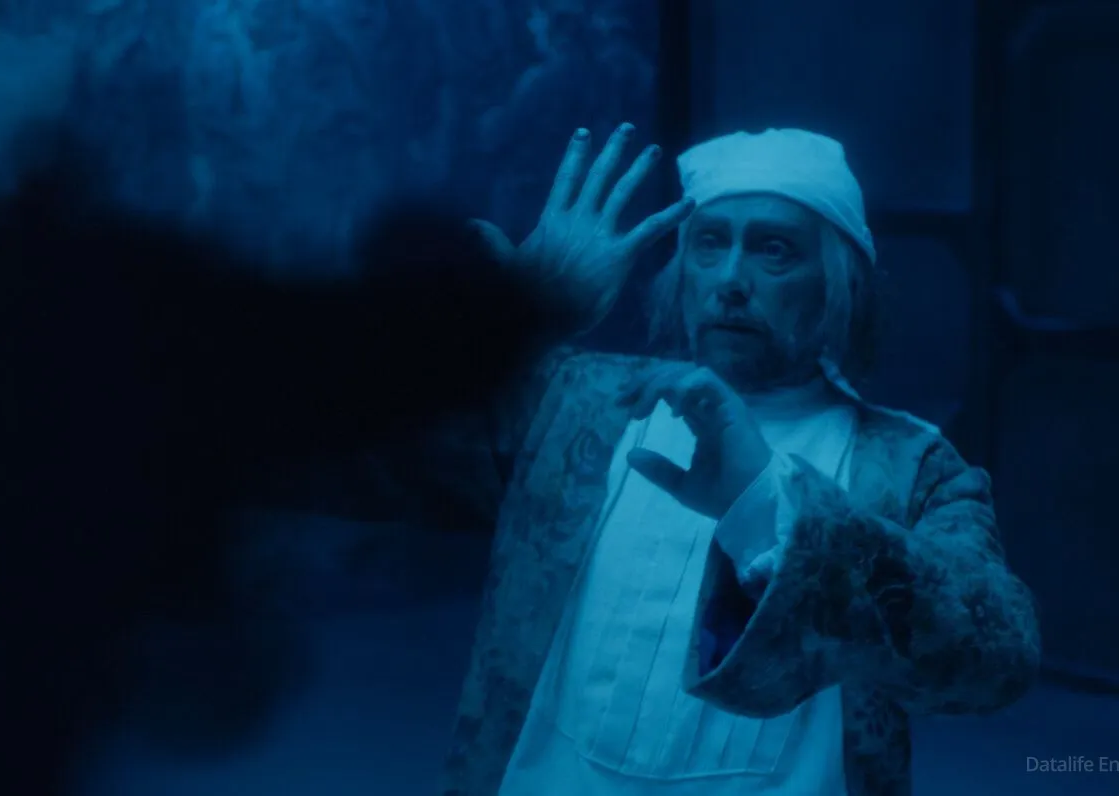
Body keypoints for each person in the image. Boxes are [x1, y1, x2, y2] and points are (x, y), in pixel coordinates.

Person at [423, 124, 1043, 795]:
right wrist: (514, 321)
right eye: (709, 243)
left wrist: (766, 505)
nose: (729, 281)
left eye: (774, 250)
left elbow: (996, 660)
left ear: (839, 285)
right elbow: (358, 456)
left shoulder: (908, 464)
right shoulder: (578, 400)